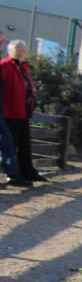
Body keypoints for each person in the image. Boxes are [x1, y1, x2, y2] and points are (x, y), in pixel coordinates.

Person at [1, 39, 45, 182]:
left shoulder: (23, 67)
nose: (21, 52)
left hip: (23, 111)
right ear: (11, 51)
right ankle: (13, 174)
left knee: (24, 143)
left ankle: (28, 171)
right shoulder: (5, 66)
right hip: (9, 111)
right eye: (18, 49)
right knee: (10, 144)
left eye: (23, 49)